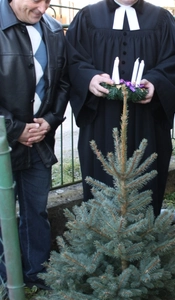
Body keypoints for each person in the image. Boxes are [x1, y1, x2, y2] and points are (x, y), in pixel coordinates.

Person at [65, 0, 175, 217]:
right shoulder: (88, 17)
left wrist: (155, 83)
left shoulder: (161, 19)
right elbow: (72, 60)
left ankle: (145, 240)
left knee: (147, 181)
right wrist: (89, 78)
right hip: (101, 120)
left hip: (147, 121)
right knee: (99, 179)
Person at [0, 0, 69, 290]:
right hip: (3, 144)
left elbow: (63, 82)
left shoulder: (53, 29)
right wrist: (13, 129)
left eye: (48, 1)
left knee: (36, 211)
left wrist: (50, 120)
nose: (43, 8)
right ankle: (7, 281)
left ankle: (37, 276)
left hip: (40, 141)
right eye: (36, 0)